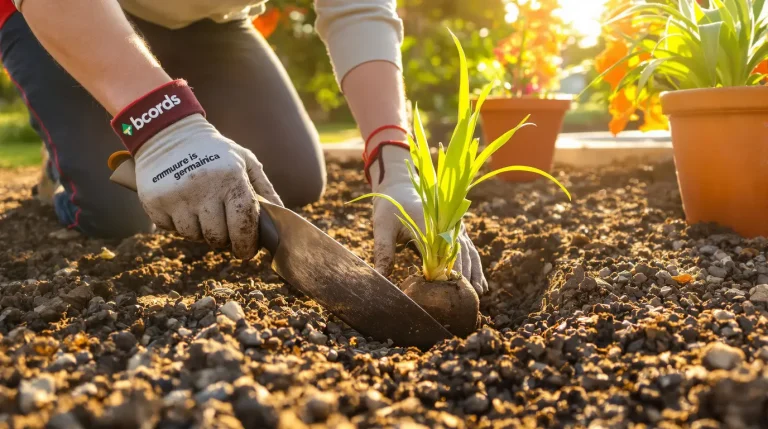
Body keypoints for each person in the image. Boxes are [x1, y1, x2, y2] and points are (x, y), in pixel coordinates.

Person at [1, 0, 488, 294]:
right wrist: (165, 129)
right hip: (65, 13)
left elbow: (359, 9)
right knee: (116, 216)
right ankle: (62, 167)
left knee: (291, 177)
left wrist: (395, 165)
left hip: (208, 23)